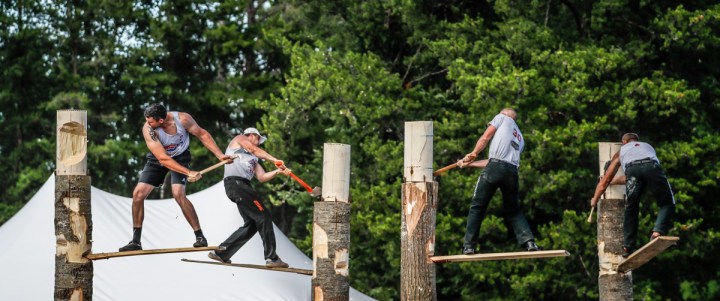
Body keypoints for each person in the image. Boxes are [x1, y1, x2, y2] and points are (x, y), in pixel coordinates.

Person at [119, 103, 233, 252]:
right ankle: (136, 241)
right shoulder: (148, 130)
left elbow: (202, 134)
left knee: (178, 194)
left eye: (151, 121)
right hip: (159, 159)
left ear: (161, 120)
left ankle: (200, 237)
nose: (148, 124)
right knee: (138, 194)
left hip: (180, 157)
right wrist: (189, 172)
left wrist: (220, 155)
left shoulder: (183, 119)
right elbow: (163, 159)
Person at [458, 108, 541, 254]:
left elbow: (485, 138)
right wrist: (469, 164)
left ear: (506, 114)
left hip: (495, 168)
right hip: (511, 173)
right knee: (514, 210)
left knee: (477, 207)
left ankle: (469, 246)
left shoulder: (502, 118)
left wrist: (473, 154)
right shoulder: (520, 138)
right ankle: (530, 243)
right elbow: (494, 162)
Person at [207, 127, 292, 268]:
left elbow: (262, 177)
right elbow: (253, 149)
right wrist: (275, 159)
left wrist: (278, 171)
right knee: (264, 217)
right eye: (258, 139)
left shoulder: (254, 159)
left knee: (252, 224)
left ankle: (222, 253)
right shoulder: (239, 139)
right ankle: (272, 257)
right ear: (252, 135)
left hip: (242, 187)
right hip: (237, 183)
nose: (258, 143)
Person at [590, 133, 675, 257]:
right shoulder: (647, 146)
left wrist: (595, 199)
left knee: (631, 207)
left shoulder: (621, 152)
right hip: (651, 167)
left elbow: (606, 181)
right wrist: (614, 181)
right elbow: (644, 171)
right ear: (636, 140)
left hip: (632, 170)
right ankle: (657, 232)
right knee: (667, 202)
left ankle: (627, 247)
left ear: (624, 142)